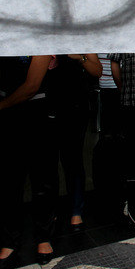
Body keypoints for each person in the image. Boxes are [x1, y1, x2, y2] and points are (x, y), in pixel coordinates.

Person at [0, 55, 58, 269]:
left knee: (42, 178)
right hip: (9, 116)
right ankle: (9, 242)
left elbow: (32, 85)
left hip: (36, 113)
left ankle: (43, 237)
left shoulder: (42, 34)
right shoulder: (8, 36)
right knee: (10, 180)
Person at [47, 54, 101, 232]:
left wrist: (80, 58)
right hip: (48, 104)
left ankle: (76, 211)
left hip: (75, 106)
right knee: (49, 161)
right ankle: (50, 212)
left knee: (73, 160)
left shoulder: (80, 37)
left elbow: (97, 70)